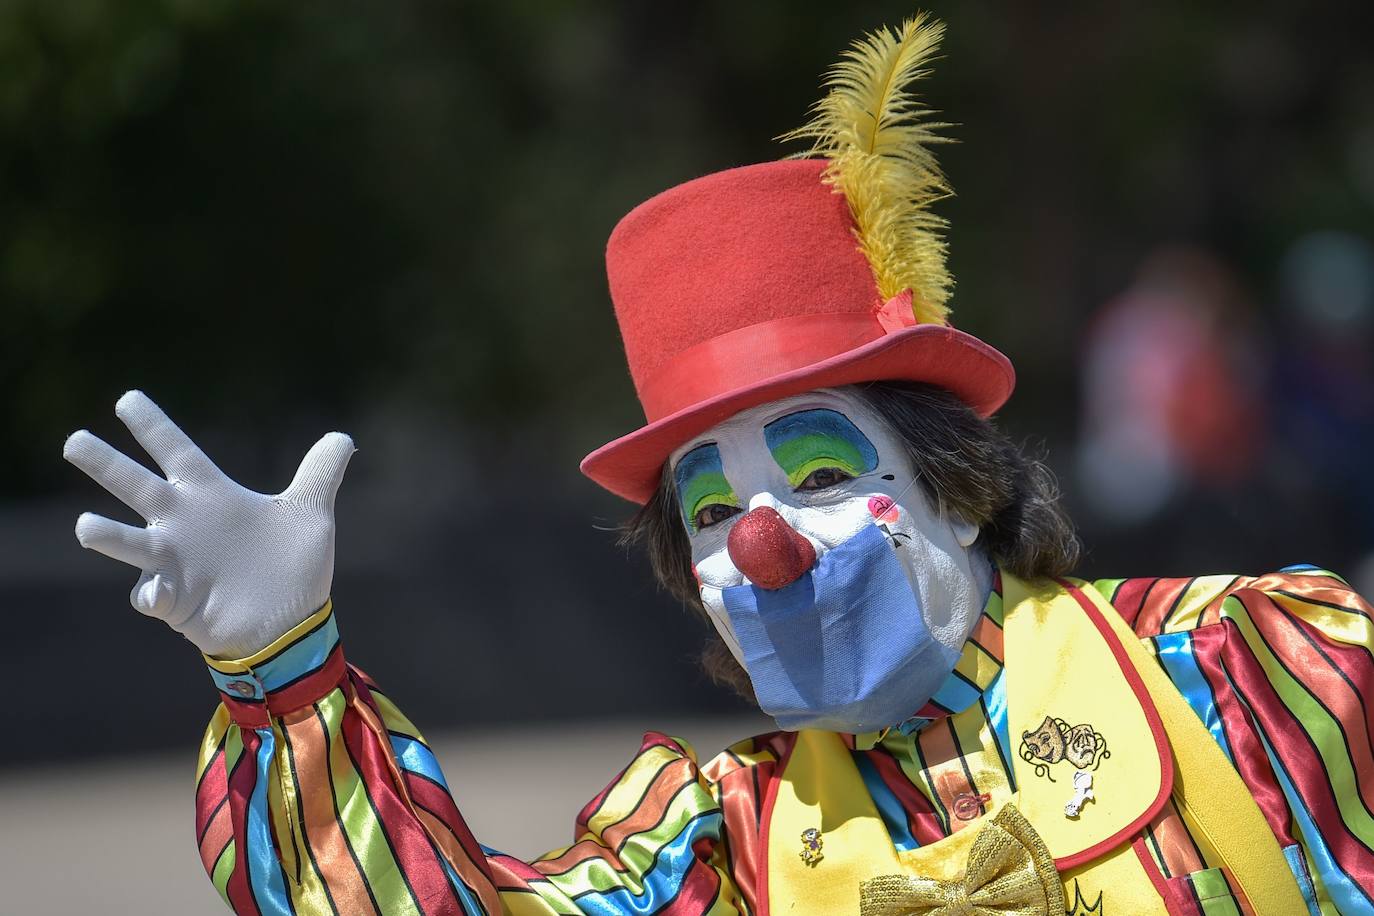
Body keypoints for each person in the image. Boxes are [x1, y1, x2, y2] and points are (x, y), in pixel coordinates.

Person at [63, 14, 1373, 915]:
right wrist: (284, 673)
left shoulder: (1239, 672)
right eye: (707, 511)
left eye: (813, 476)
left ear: (954, 489)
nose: (760, 542)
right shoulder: (715, 848)